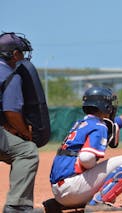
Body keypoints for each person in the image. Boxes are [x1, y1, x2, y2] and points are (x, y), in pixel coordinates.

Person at [48, 87, 122, 212]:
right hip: (73, 189)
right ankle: (100, 202)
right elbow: (86, 158)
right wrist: (94, 168)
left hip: (60, 192)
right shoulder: (99, 126)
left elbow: (115, 123)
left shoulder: (82, 123)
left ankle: (60, 205)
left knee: (97, 173)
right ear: (104, 106)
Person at [0, 32, 44, 212]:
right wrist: (25, 132)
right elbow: (11, 111)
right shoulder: (11, 75)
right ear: (15, 54)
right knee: (27, 151)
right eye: (22, 53)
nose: (23, 57)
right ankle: (17, 206)